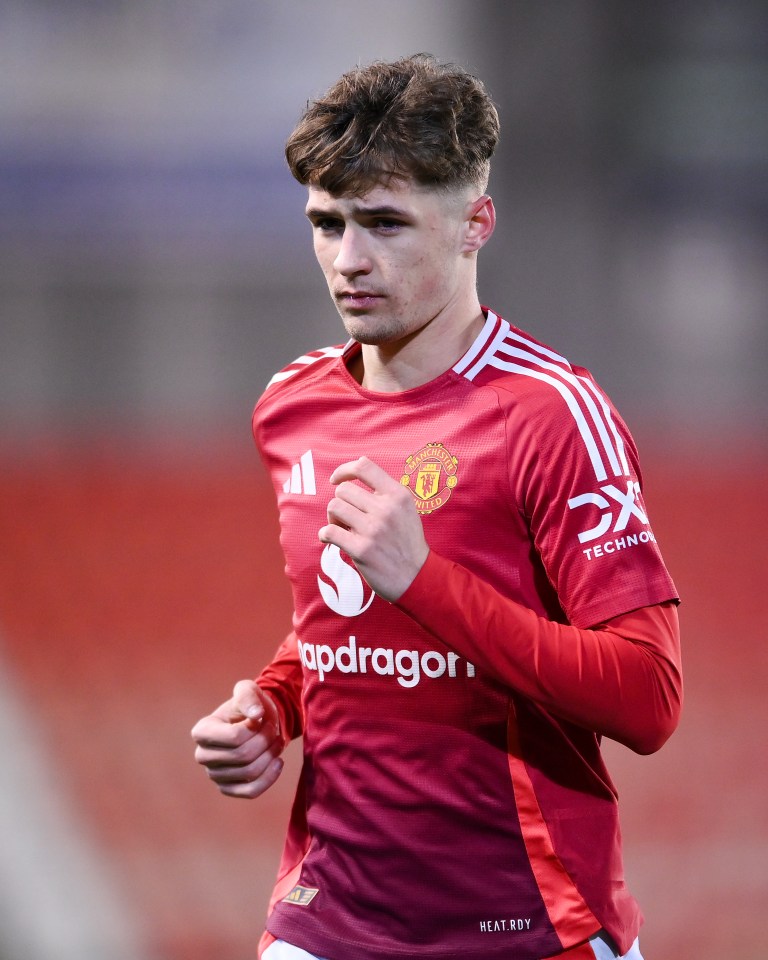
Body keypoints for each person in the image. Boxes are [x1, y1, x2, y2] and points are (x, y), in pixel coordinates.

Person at [191, 53, 682, 960]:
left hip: (529, 926)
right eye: (327, 223)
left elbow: (650, 700)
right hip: (325, 917)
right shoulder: (289, 406)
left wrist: (425, 579)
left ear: (475, 224)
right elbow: (337, 621)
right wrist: (271, 706)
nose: (348, 260)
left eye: (384, 223)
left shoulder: (552, 415)